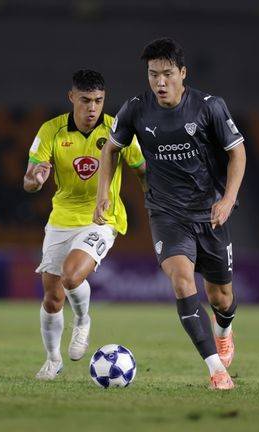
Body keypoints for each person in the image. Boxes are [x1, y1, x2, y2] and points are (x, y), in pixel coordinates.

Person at [93, 38, 246, 390]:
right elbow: (111, 150)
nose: (159, 82)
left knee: (221, 298)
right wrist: (103, 194)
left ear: (182, 73)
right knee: (181, 281)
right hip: (166, 213)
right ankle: (216, 371)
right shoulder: (136, 109)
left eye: (167, 74)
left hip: (210, 213)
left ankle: (224, 330)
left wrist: (228, 199)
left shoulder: (209, 107)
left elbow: (238, 153)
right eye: (153, 74)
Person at [24, 69, 145, 380]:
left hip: (101, 218)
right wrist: (36, 178)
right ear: (71, 97)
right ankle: (53, 359)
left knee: (71, 275)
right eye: (86, 100)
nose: (93, 108)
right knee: (52, 298)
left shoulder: (118, 129)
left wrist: (157, 198)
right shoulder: (51, 130)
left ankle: (82, 320)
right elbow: (30, 179)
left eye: (98, 101)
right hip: (61, 219)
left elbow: (142, 168)